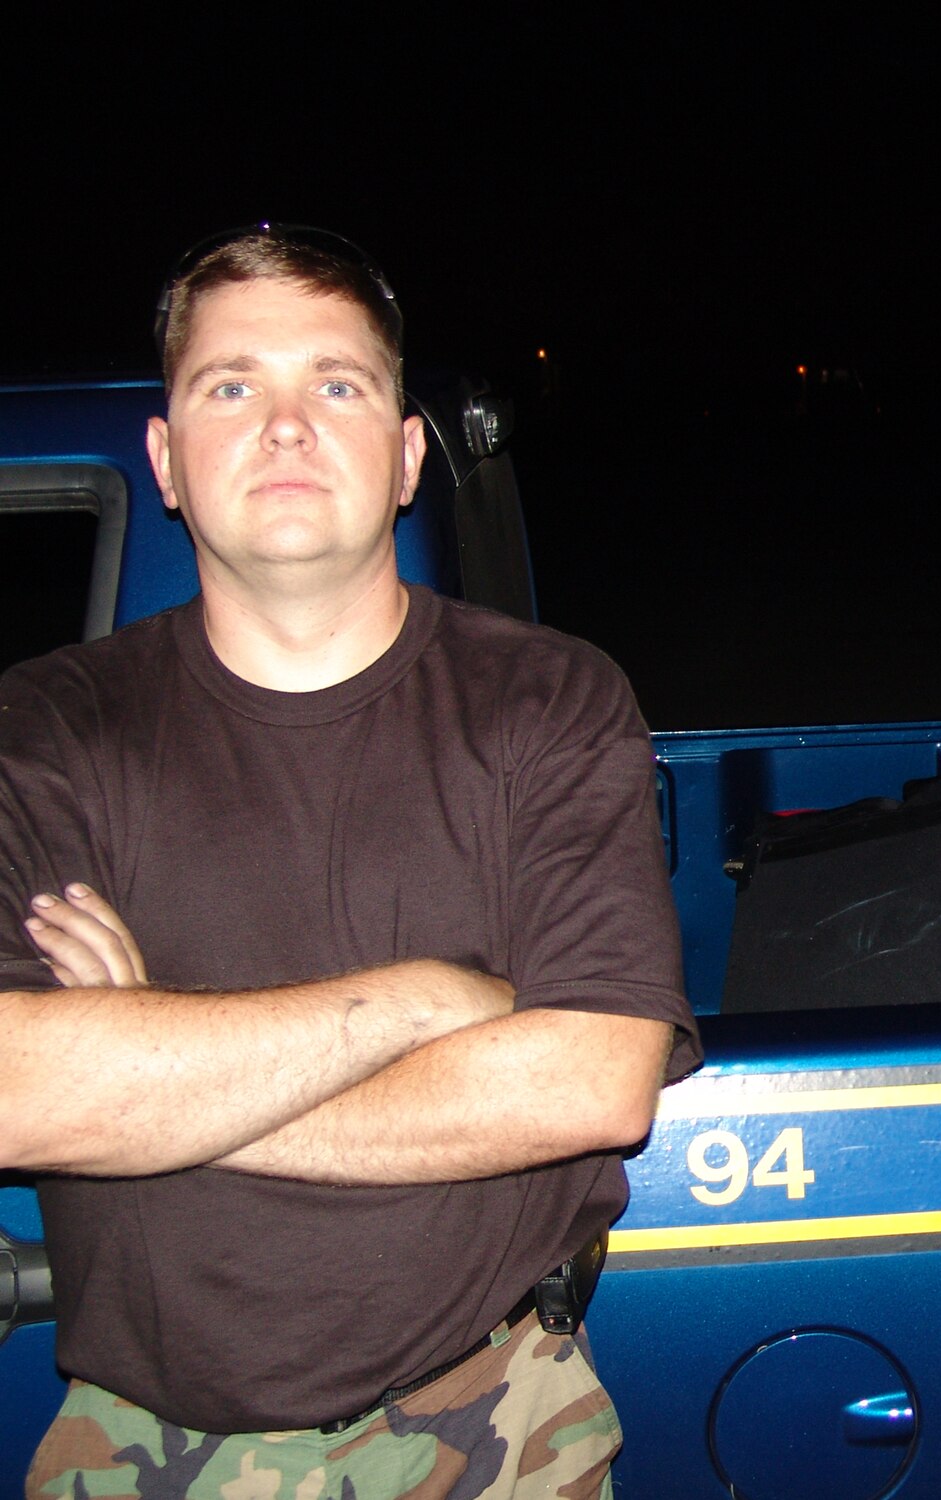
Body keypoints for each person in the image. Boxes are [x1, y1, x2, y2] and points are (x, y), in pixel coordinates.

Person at [0, 225, 700, 1498]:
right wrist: (422, 1001)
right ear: (164, 459)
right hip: (137, 1453)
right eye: (231, 386)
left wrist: (150, 1071)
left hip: (497, 1431)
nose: (285, 426)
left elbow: (593, 1083)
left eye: (336, 383)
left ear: (407, 454)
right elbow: (15, 1090)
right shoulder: (42, 728)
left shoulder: (545, 702)